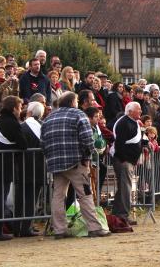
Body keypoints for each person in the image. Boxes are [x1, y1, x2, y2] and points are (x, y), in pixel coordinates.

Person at [40, 91, 110, 239]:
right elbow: (87, 139)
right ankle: (94, 228)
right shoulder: (79, 115)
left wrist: (51, 158)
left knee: (58, 197)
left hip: (56, 164)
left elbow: (43, 142)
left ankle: (59, 229)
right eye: (77, 100)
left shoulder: (49, 118)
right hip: (76, 162)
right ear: (73, 102)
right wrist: (87, 156)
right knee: (85, 194)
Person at [0, 95, 27, 241]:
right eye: (19, 108)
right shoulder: (13, 123)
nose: (20, 111)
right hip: (5, 165)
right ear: (14, 108)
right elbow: (23, 144)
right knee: (0, 199)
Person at [111, 101, 148, 225]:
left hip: (129, 160)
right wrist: (124, 159)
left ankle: (118, 214)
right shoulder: (123, 123)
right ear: (130, 111)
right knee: (125, 188)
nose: (141, 111)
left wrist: (145, 145)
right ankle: (123, 215)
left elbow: (138, 138)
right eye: (138, 109)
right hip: (124, 161)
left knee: (124, 188)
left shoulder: (134, 123)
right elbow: (119, 143)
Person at [14, 101, 46, 237]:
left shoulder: (22, 126)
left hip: (22, 167)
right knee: (32, 199)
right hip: (38, 168)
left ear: (29, 113)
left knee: (20, 198)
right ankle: (26, 227)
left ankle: (17, 227)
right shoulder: (43, 127)